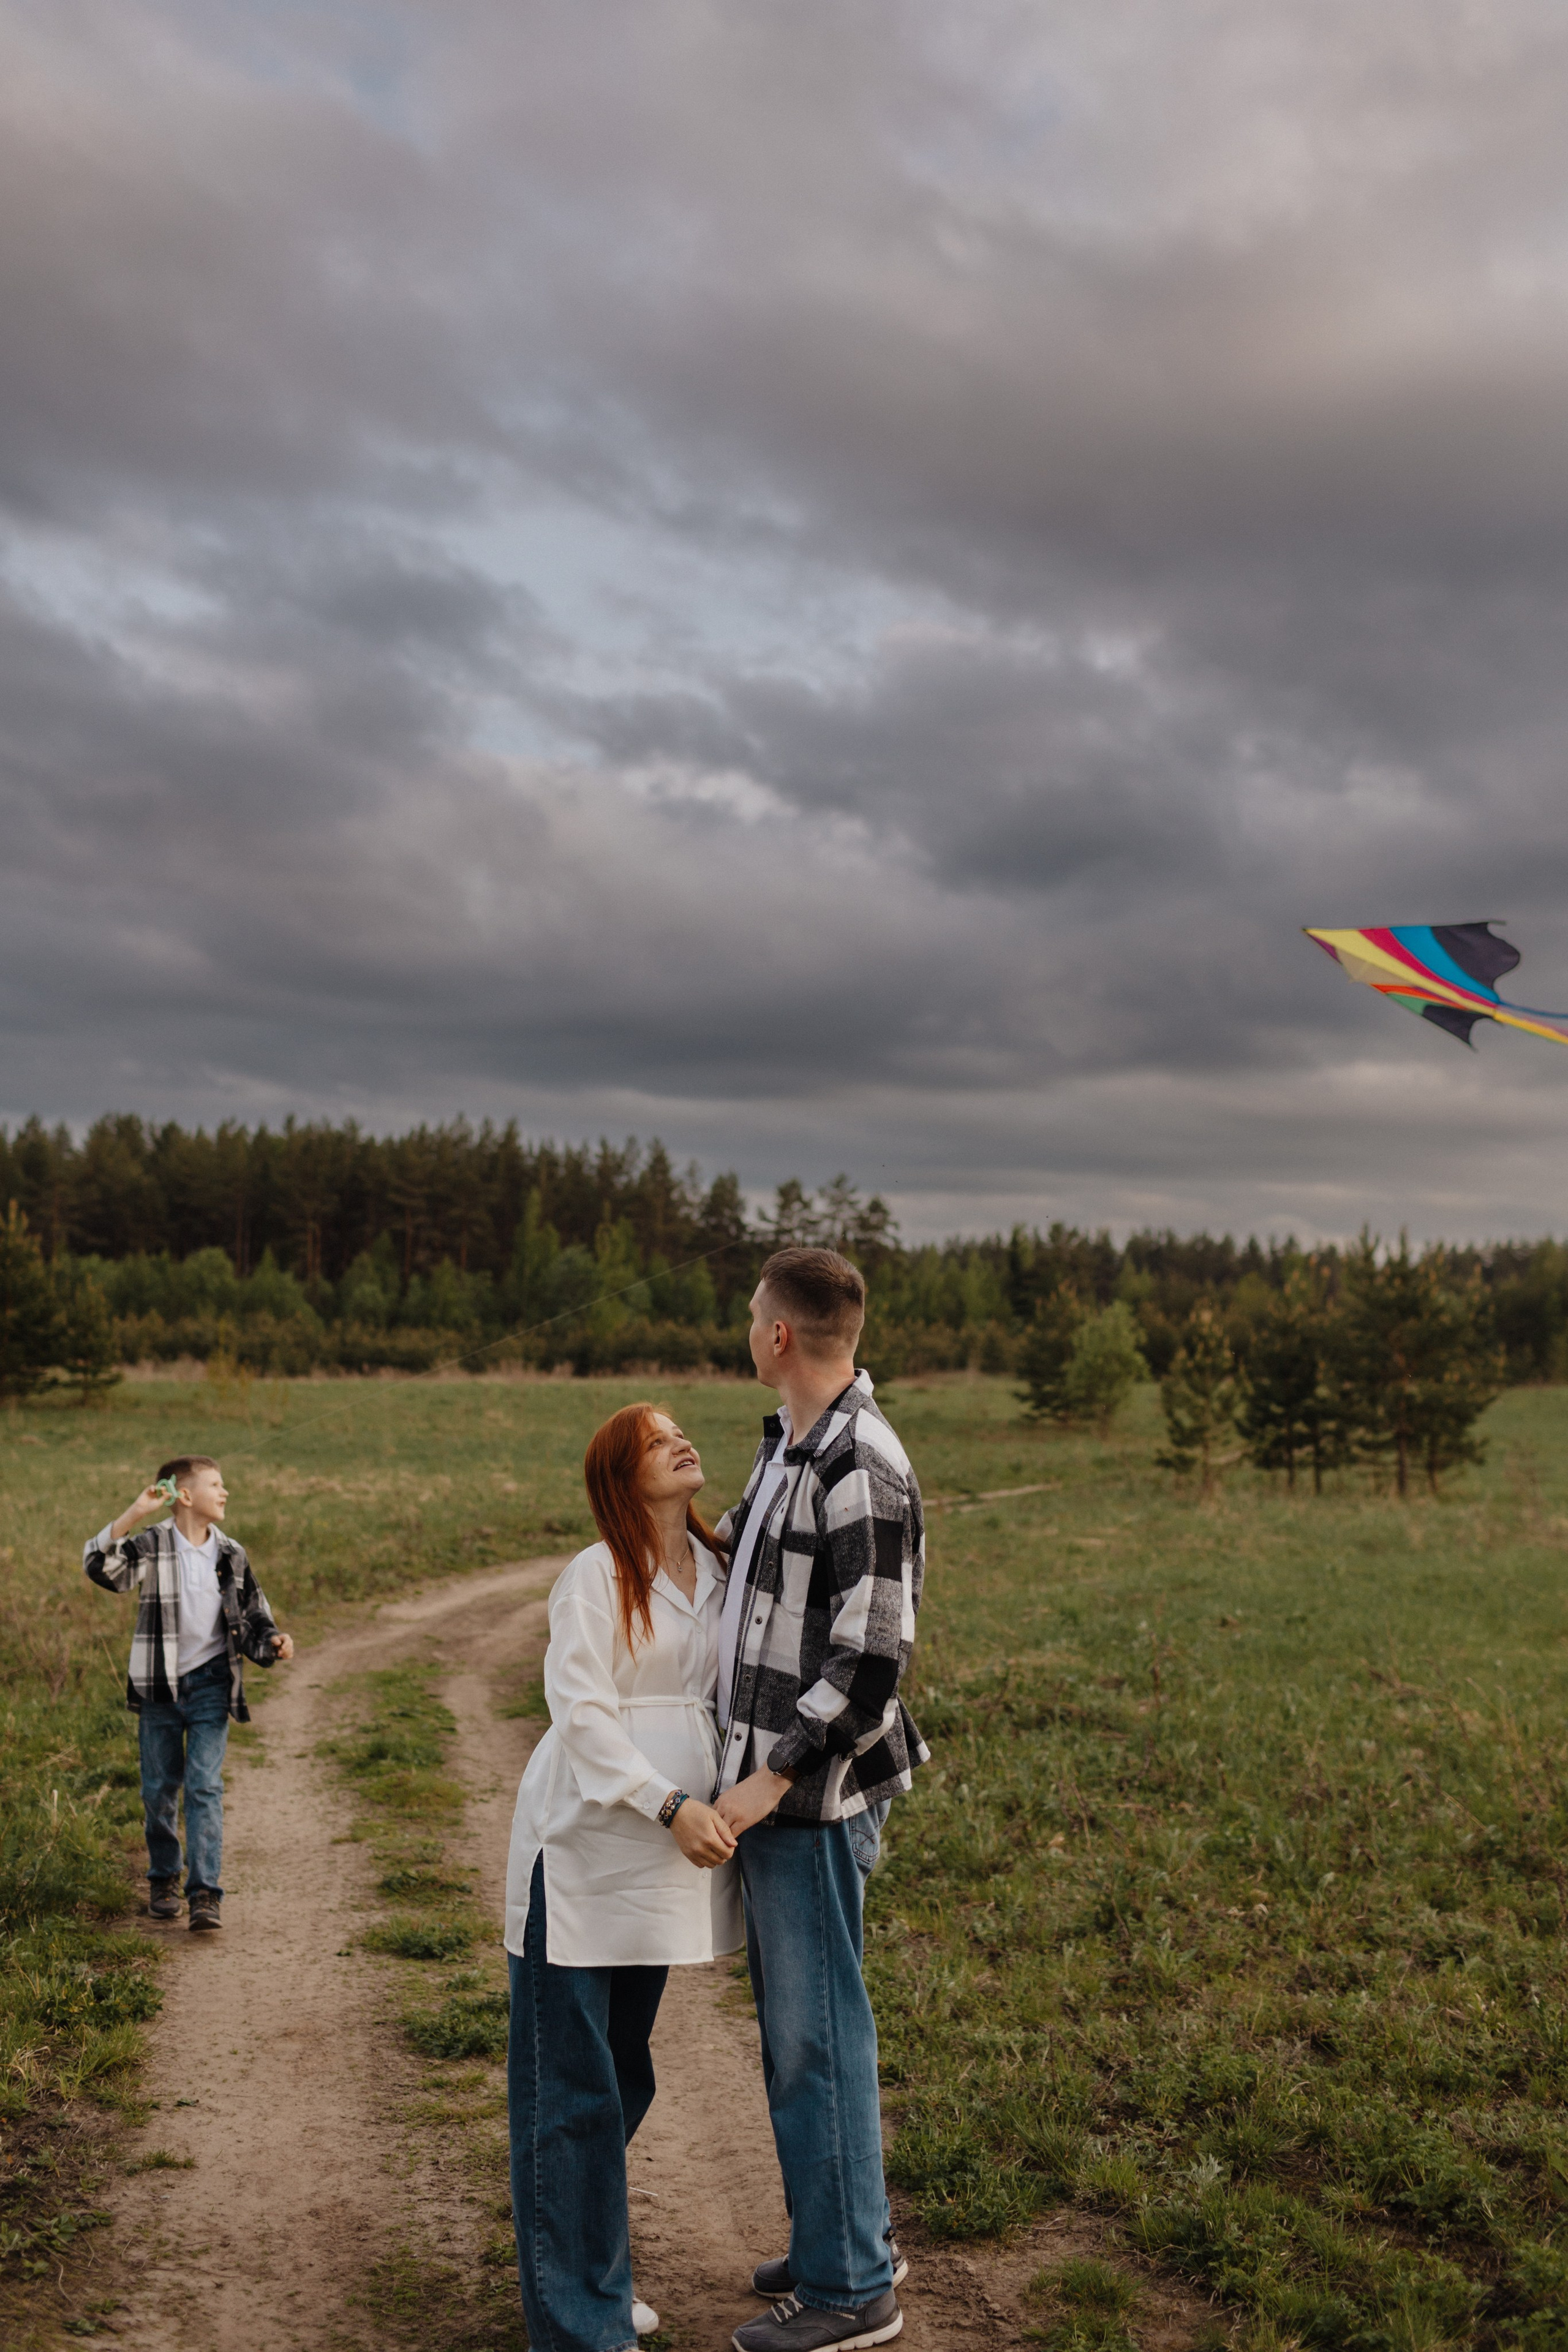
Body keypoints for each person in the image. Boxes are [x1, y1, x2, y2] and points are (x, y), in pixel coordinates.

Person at [712, 1248, 927, 2352]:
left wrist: (764, 1782)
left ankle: (852, 2292)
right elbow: (763, 1592)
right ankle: (839, 2230)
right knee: (797, 2032)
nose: (750, 1330)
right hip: (783, 1792)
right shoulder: (791, 1445)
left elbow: (870, 1665)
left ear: (783, 1336)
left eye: (756, 1316)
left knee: (817, 2035)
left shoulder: (861, 1465)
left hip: (814, 1797)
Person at [504, 1403, 743, 2352]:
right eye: (655, 1441)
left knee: (623, 2073)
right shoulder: (595, 1576)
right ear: (618, 1474)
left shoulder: (718, 1572)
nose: (682, 1443)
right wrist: (670, 1803)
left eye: (680, 1432)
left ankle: (587, 2270)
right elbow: (582, 1713)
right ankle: (579, 2323)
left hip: (665, 1865)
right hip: (587, 1852)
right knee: (570, 2086)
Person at [84, 1455, 293, 1932]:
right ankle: (163, 1879)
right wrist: (136, 1511)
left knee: (204, 1786)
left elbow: (255, 1615)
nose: (224, 1493)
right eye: (215, 1485)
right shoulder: (153, 1545)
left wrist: (275, 1641)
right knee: (159, 1791)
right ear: (184, 1495)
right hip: (159, 1686)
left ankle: (204, 1894)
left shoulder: (231, 1553)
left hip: (211, 1685)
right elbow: (100, 1568)